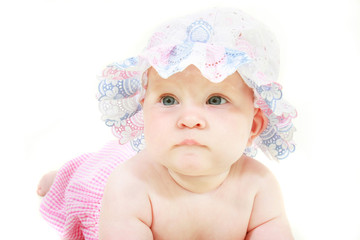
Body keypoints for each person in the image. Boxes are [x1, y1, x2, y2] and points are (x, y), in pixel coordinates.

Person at [37, 8, 297, 240]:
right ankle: (59, 177)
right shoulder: (129, 185)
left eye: (216, 99)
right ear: (143, 108)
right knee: (85, 172)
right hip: (103, 192)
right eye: (169, 99)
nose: (189, 119)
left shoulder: (258, 185)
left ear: (253, 127)